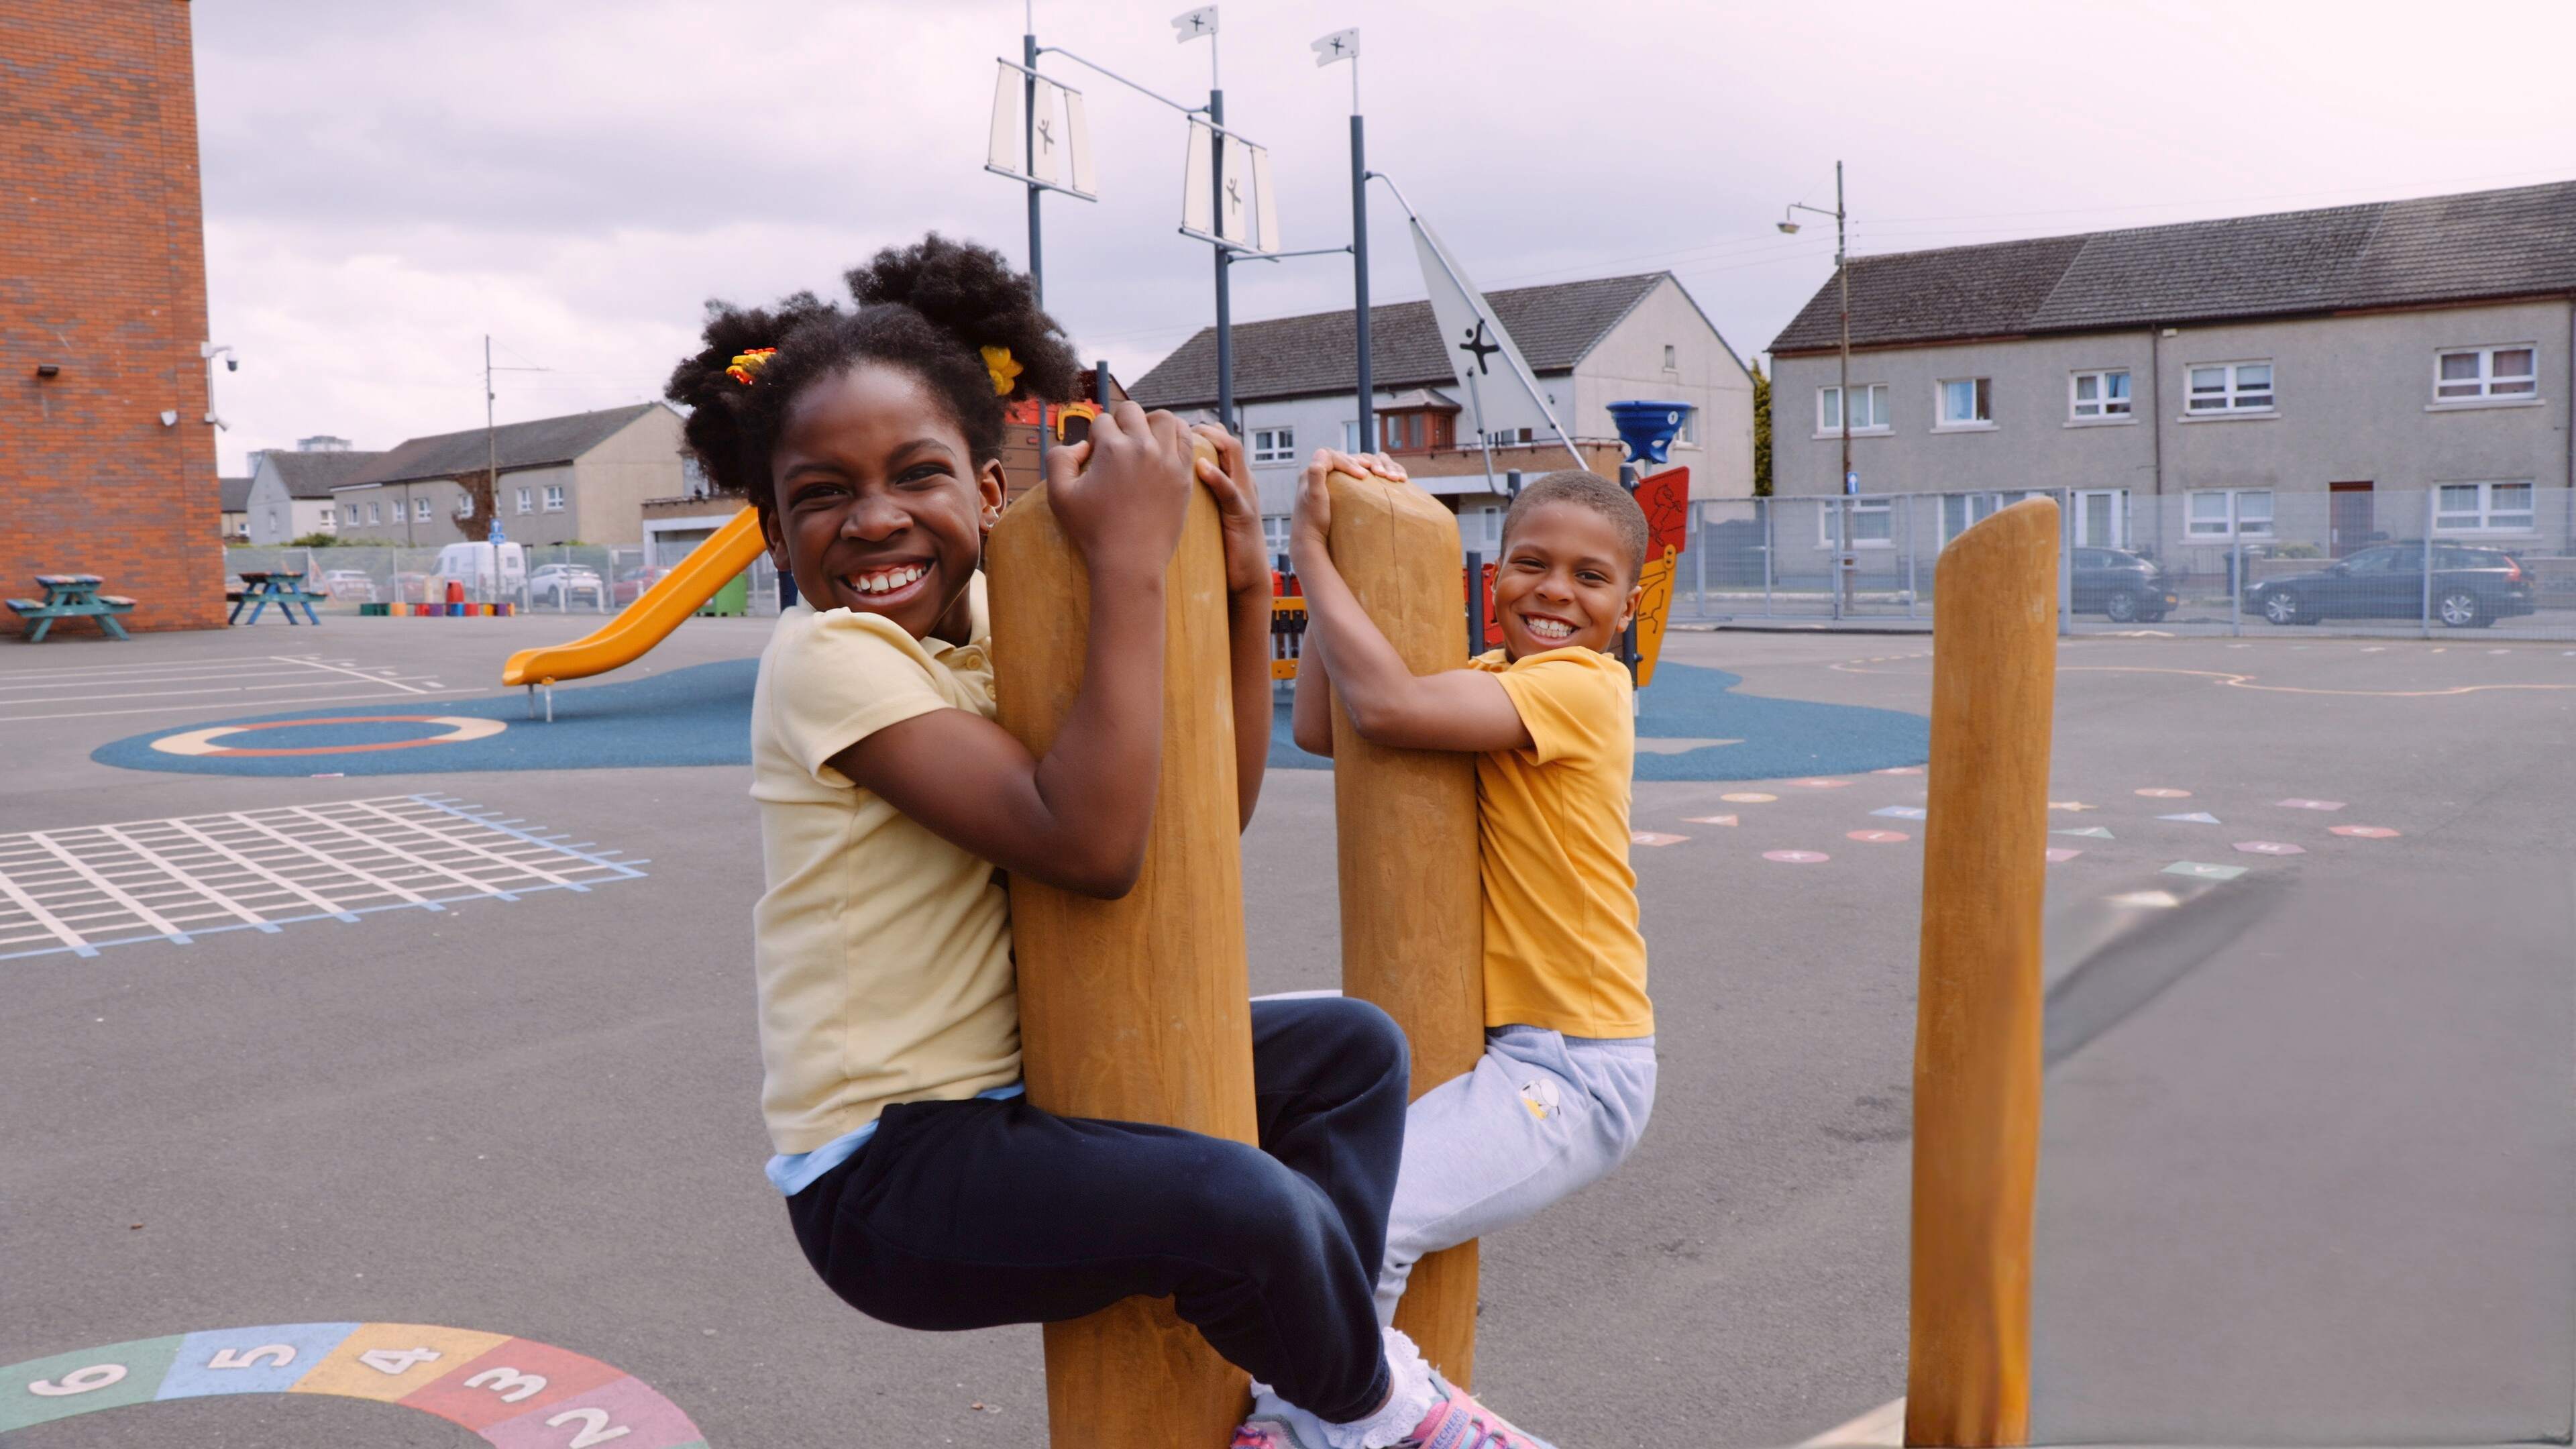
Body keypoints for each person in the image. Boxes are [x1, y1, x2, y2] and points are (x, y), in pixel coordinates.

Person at [669, 234, 1546, 1449]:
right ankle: (1374, 1413)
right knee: (1240, 1206)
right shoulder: (827, 659)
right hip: (886, 1178)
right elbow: (1089, 844)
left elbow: (1195, 817)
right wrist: (1130, 561)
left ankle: (1306, 1384)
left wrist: (1241, 589)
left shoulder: (989, 630)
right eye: (822, 495)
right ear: (774, 535)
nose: (874, 521)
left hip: (1024, 1099)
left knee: (1351, 1054)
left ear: (987, 493)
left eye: (915, 477)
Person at [1289, 459, 1659, 1329]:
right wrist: (1345, 555)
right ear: (1496, 578)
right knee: (1302, 1127)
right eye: (1533, 563)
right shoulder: (1496, 677)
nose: (1556, 591)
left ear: (1628, 608)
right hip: (1500, 1043)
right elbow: (1323, 726)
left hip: (1576, 1066)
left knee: (1367, 1219)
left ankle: (1340, 1417)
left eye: (1591, 576)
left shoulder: (1583, 688)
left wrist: (1309, 551)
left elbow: (1384, 708)